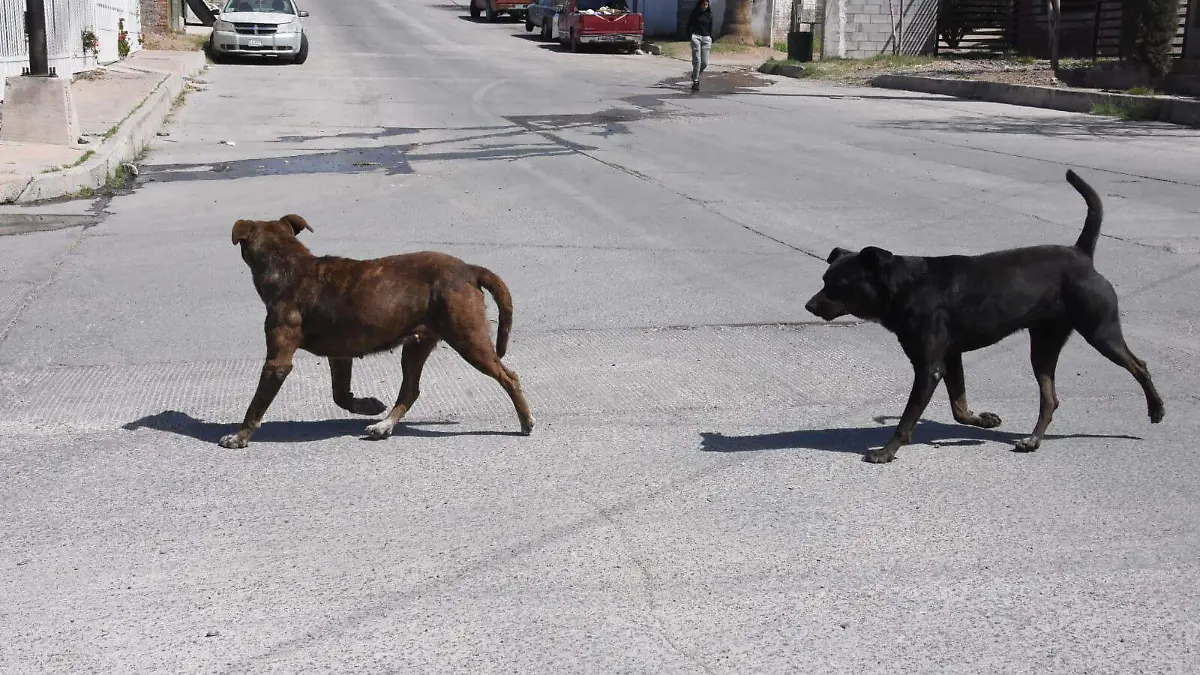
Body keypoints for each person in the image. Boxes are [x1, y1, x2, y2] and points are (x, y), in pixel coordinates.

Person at [686, 0, 713, 91]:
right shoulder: (695, 13)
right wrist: (690, 36)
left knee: (704, 63)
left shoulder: (709, 14)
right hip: (696, 37)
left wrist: (710, 37)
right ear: (700, 4)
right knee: (697, 60)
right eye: (703, 4)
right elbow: (689, 25)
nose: (704, 6)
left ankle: (695, 75)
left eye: (706, 4)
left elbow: (711, 27)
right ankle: (695, 81)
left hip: (706, 39)